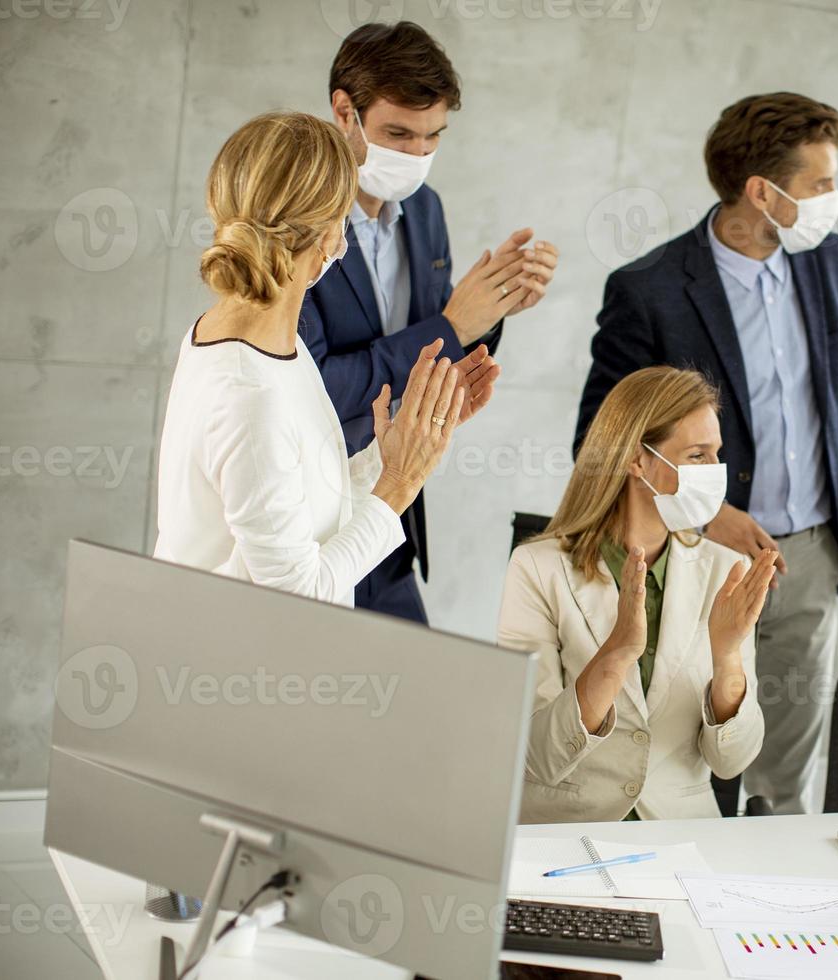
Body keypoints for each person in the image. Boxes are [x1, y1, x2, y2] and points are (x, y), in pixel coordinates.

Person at [574, 92, 838, 815]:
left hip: (806, 555)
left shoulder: (826, 259)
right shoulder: (648, 291)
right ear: (762, 192)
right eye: (821, 185)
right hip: (691, 557)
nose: (835, 200)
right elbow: (601, 443)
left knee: (781, 779)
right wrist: (705, 519)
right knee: (694, 752)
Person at [155, 112, 485, 606]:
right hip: (225, 665)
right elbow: (298, 597)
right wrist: (399, 484)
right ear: (331, 233)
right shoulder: (251, 395)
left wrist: (398, 451)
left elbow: (303, 506)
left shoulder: (262, 340)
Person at [300, 21, 561, 622]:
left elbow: (440, 339)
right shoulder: (300, 217)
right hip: (312, 519)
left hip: (392, 520)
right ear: (345, 111)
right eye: (398, 134)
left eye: (432, 137)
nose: (417, 155)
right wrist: (451, 325)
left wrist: (493, 310)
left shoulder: (425, 208)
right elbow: (311, 387)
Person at [499, 367, 777, 823]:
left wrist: (727, 657)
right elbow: (535, 755)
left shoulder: (725, 570)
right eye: (696, 455)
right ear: (637, 460)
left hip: (679, 836)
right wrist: (615, 655)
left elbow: (732, 762)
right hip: (565, 831)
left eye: (716, 455)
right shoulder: (536, 568)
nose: (714, 473)